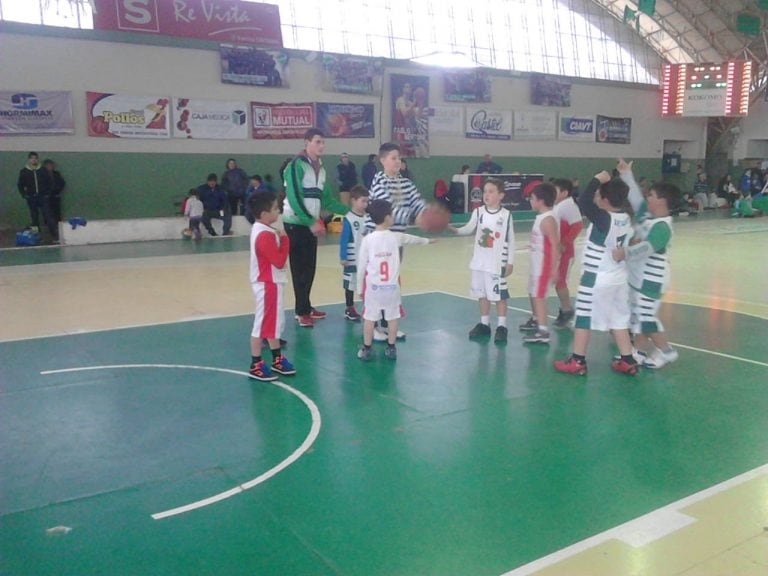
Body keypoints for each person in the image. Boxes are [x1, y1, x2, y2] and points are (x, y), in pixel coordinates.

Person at [553, 170, 638, 376]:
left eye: (599, 194)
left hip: (597, 276)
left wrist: (598, 179)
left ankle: (578, 360)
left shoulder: (604, 218)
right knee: (619, 318)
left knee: (583, 317)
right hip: (619, 277)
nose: (596, 197)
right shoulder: (625, 218)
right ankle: (627, 360)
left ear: (606, 199)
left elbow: (582, 200)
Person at [614, 159, 681, 369]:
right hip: (637, 277)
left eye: (651, 195)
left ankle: (666, 351)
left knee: (646, 317)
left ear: (661, 201)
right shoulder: (646, 215)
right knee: (637, 316)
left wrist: (624, 252)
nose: (646, 197)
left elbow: (646, 249)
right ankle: (639, 352)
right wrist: (626, 174)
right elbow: (634, 195)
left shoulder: (662, 227)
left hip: (652, 279)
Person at [283, 128, 349, 327]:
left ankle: (306, 306)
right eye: (318, 141)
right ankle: (301, 311)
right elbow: (294, 198)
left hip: (310, 225)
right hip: (296, 224)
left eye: (323, 142)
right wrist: (310, 222)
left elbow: (327, 199)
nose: (322, 145)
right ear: (307, 143)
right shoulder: (296, 166)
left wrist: (352, 211)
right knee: (299, 269)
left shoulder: (321, 168)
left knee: (309, 268)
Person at [356, 200, 433, 361]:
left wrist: (359, 288)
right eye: (392, 214)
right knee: (392, 317)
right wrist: (427, 241)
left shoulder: (368, 240)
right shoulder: (396, 236)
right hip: (391, 287)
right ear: (387, 217)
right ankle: (391, 347)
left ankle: (366, 348)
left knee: (369, 318)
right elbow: (413, 239)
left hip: (373, 288)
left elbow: (361, 266)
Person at [368, 142, 428, 341]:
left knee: (392, 282)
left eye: (399, 158)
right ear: (382, 160)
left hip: (396, 242)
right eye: (393, 158)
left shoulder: (405, 183)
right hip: (377, 242)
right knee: (376, 282)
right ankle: (374, 324)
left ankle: (388, 324)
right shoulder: (379, 181)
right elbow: (389, 208)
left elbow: (417, 200)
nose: (397, 162)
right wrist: (414, 218)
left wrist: (424, 212)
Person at [451, 178, 515, 344]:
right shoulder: (478, 212)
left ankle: (502, 326)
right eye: (485, 191)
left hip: (497, 263)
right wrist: (455, 229)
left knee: (499, 296)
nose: (487, 194)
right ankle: (484, 323)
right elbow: (468, 228)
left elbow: (511, 239)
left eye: (491, 191)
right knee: (482, 293)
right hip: (479, 262)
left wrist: (510, 262)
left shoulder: (506, 215)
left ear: (501, 195)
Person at [247, 191, 296, 382]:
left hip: (272, 284)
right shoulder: (264, 235)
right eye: (276, 209)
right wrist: (285, 239)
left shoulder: (263, 229)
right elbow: (279, 261)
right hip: (267, 284)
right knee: (261, 325)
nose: (279, 211)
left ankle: (276, 358)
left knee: (273, 323)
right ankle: (256, 363)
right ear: (265, 214)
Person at [518, 183, 560, 344]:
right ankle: (537, 320)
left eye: (532, 198)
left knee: (539, 296)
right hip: (537, 264)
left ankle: (543, 331)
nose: (530, 201)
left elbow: (555, 245)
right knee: (532, 292)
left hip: (544, 267)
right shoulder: (542, 217)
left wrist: (554, 269)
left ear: (540, 201)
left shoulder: (548, 220)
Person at [551, 178, 584, 328]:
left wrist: (564, 243)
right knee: (557, 282)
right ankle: (566, 309)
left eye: (556, 191)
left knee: (560, 282)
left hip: (565, 252)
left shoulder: (568, 205)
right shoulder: (560, 205)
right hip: (558, 251)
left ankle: (567, 310)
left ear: (564, 193)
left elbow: (577, 226)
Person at [340, 185, 369, 322]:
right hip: (352, 257)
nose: (365, 204)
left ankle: (369, 306)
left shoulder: (368, 218)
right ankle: (349, 308)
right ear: (353, 200)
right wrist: (343, 256)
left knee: (366, 281)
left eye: (367, 201)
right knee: (350, 283)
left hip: (366, 257)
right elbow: (344, 239)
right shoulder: (349, 219)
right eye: (362, 201)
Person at [17, 151, 57, 242]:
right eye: (32, 158)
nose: (33, 160)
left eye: (35, 158)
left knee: (48, 216)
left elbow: (50, 183)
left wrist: (47, 194)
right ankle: (37, 237)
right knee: (34, 219)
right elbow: (20, 185)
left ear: (37, 159)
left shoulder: (43, 170)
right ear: (29, 160)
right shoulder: (24, 171)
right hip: (31, 198)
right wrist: (24, 195)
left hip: (43, 197)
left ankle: (55, 236)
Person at [43, 159, 65, 223]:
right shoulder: (41, 174)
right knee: (47, 213)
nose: (50, 167)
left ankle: (58, 225)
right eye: (48, 165)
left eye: (51, 165)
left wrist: (58, 190)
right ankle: (49, 227)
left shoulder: (56, 174)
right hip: (46, 196)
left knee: (57, 212)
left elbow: (62, 183)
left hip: (55, 195)